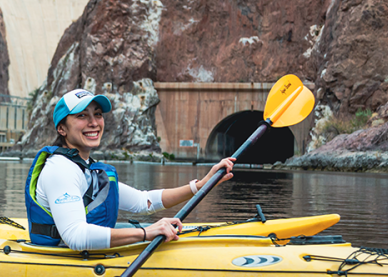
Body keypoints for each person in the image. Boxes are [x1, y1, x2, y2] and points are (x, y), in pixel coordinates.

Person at [25, 88, 235, 250]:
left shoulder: (87, 168)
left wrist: (202, 184)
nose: (93, 122)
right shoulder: (60, 169)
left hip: (87, 254)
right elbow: (76, 237)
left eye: (97, 114)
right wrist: (145, 233)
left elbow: (143, 202)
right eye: (81, 116)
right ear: (62, 128)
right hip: (64, 256)